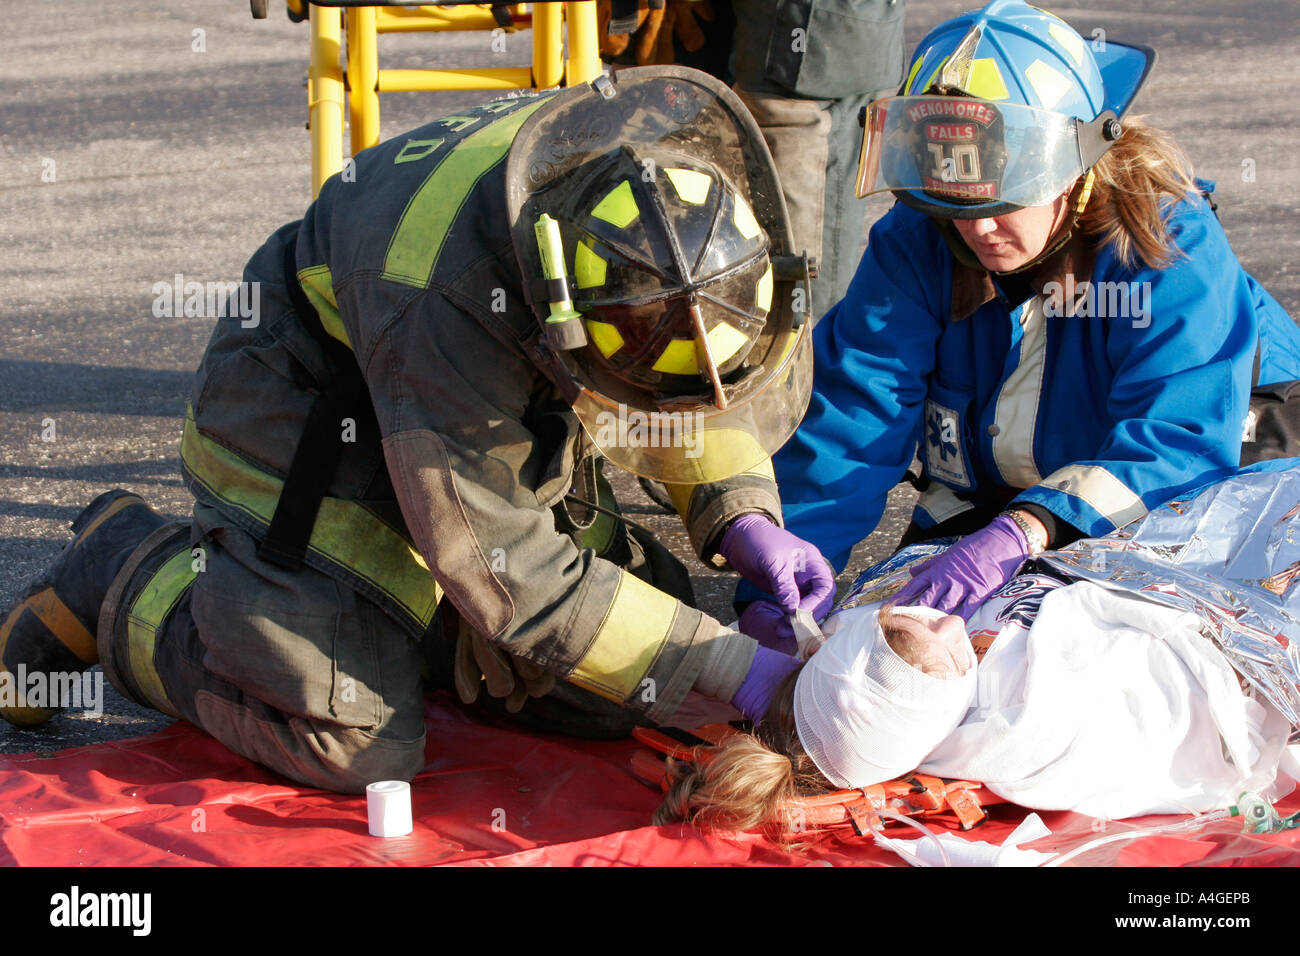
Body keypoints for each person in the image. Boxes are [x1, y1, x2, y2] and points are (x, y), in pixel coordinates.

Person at [0, 68, 833, 792]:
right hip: (306, 421)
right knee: (354, 740)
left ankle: (405, 625)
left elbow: (678, 377)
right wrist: (735, 670)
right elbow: (519, 576)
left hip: (458, 398)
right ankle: (128, 573)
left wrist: (741, 514)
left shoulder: (648, 204)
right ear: (557, 323)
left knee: (628, 679)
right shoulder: (444, 295)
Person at [735, 0, 1300, 647]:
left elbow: (1179, 441)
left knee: (1147, 652)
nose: (977, 228)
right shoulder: (918, 241)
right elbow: (849, 423)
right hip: (1029, 485)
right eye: (954, 202)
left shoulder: (1167, 242)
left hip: (1222, 465)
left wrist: (1025, 530)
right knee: (909, 636)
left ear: (1077, 170)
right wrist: (773, 599)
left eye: (1005, 199)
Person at [656, 545, 1297, 832]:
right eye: (943, 641)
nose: (949, 616)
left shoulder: (903, 669)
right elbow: (1161, 703)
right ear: (937, 702)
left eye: (904, 619)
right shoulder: (1026, 721)